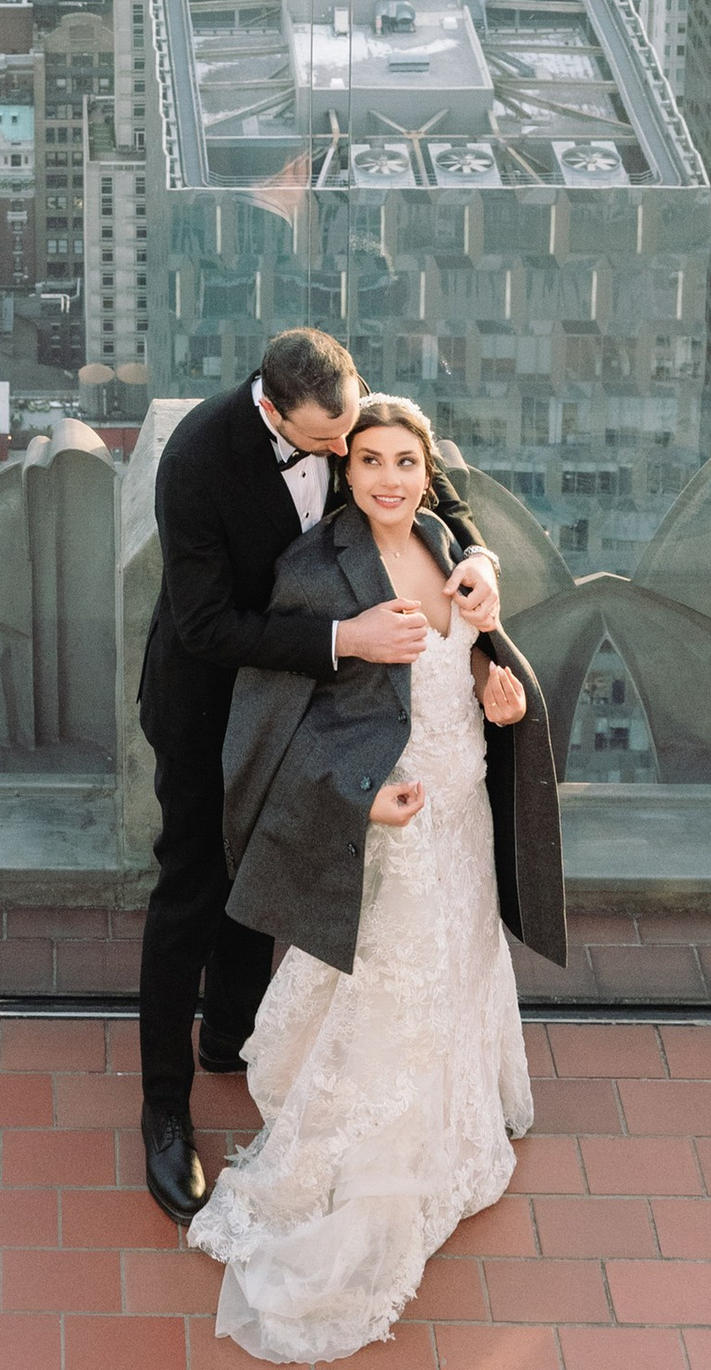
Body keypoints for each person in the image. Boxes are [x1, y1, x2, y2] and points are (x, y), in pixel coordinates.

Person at [188, 392, 566, 1361]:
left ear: (426, 468)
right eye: (370, 463)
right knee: (390, 980)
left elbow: (470, 657)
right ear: (345, 472)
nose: (390, 479)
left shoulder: (447, 542)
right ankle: (373, 1151)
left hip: (465, 801)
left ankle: (459, 1107)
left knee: (460, 957)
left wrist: (497, 682)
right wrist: (360, 802)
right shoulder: (320, 569)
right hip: (394, 817)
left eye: (406, 461)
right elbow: (279, 723)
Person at [135, 330, 502, 1224]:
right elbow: (206, 625)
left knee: (273, 858)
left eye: (353, 434)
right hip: (213, 698)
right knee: (193, 884)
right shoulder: (195, 463)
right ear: (272, 407)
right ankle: (164, 1109)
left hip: (310, 695)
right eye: (332, 445)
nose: (349, 456)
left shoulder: (341, 412)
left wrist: (477, 555)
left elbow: (424, 477)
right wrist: (348, 640)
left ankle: (232, 1033)